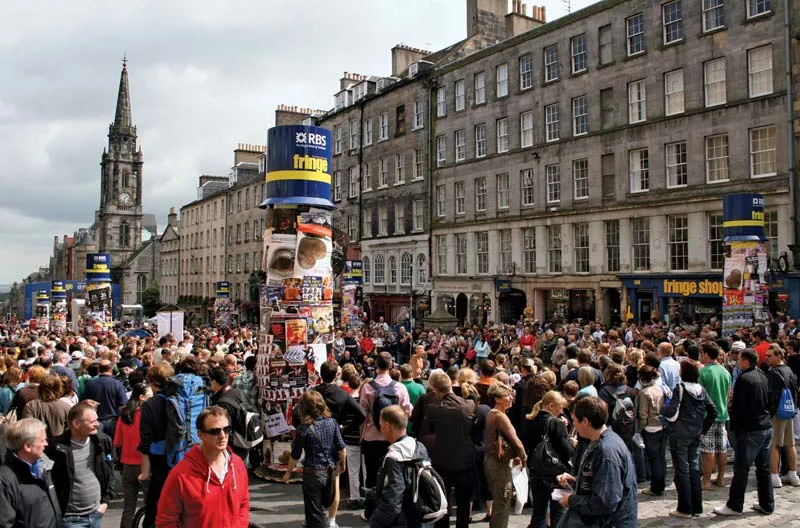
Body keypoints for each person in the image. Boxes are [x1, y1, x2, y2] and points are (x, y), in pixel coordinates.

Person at [156, 405, 250, 527]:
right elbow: (166, 520)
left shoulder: (237, 464)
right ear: (200, 435)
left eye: (226, 429)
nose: (222, 436)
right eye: (215, 431)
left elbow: (243, 504)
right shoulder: (180, 474)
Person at [555, 396, 637, 528]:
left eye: (575, 420)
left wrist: (571, 500)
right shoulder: (602, 442)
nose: (573, 425)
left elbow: (605, 502)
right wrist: (577, 481)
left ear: (585, 421)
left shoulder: (606, 451)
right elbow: (601, 482)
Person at [714, 349, 774, 516]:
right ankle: (767, 503)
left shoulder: (744, 379)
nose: (737, 362)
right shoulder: (762, 375)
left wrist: (735, 428)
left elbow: (739, 407)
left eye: (739, 359)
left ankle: (734, 505)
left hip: (750, 429)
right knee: (763, 468)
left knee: (742, 468)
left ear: (746, 361)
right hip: (764, 426)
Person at [661, 360, 718, 518]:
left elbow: (671, 409)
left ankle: (685, 508)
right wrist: (702, 430)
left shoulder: (680, 388)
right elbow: (713, 411)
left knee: (682, 470)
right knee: (693, 469)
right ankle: (696, 506)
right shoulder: (701, 389)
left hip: (680, 433)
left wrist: (663, 408)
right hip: (695, 433)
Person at [359, 352, 412, 519]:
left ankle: (371, 511)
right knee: (394, 477)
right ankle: (392, 511)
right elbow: (407, 412)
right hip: (394, 438)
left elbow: (363, 414)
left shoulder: (368, 387)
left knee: (372, 476)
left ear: (376, 366)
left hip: (372, 437)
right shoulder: (400, 388)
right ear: (391, 366)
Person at [47, 400, 115, 528]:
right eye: (92, 422)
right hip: (70, 519)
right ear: (76, 424)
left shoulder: (102, 441)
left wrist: (105, 502)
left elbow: (109, 471)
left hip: (96, 514)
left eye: (97, 420)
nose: (97, 424)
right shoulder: (56, 448)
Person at [284, 390, 346, 528]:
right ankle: (330, 521)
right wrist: (342, 464)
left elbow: (295, 455)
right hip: (329, 470)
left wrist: (288, 472)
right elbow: (341, 448)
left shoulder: (303, 429)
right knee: (327, 501)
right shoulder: (332, 422)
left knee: (314, 511)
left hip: (312, 472)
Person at [423, 370, 476, 528]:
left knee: (442, 503)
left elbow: (426, 432)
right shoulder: (469, 405)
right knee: (463, 504)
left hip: (442, 461)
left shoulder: (434, 408)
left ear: (436, 390)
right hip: (464, 460)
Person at [369, 404, 429, 528]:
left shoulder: (393, 457)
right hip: (418, 515)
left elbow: (394, 495)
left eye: (380, 425)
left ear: (387, 426)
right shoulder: (419, 447)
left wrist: (376, 522)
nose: (381, 429)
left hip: (400, 520)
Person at [0, 418, 61, 528]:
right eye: (42, 440)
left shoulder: (44, 467)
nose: (46, 444)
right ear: (27, 446)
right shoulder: (5, 479)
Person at [524, 391, 573, 528]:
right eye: (560, 407)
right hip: (555, 474)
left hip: (536, 470)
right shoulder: (556, 423)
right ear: (551, 406)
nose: (562, 411)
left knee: (538, 512)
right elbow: (567, 451)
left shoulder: (531, 419)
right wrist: (570, 441)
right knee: (558, 512)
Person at [484, 382, 526, 528]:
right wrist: (523, 457)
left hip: (492, 461)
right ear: (497, 399)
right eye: (507, 396)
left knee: (500, 500)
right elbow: (516, 441)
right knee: (503, 501)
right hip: (499, 464)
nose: (510, 398)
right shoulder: (500, 416)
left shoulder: (492, 413)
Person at [138, 362, 174, 528]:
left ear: (152, 382)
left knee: (154, 507)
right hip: (180, 454)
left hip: (159, 459)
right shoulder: (179, 398)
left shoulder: (149, 405)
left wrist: (145, 471)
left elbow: (145, 439)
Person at [114, 381, 151, 528]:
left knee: (128, 507)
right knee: (151, 506)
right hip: (145, 465)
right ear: (142, 397)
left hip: (127, 465)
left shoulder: (124, 415)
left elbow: (117, 442)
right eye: (150, 395)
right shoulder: (147, 416)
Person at [698, 341, 732, 490]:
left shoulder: (704, 372)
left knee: (708, 450)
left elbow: (699, 396)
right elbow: (728, 394)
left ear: (706, 354)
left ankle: (706, 480)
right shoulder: (725, 371)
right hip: (723, 413)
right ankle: (720, 478)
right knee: (722, 448)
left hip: (708, 415)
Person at [765, 345, 800, 486]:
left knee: (774, 445)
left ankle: (774, 475)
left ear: (779, 356)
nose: (767, 359)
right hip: (789, 410)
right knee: (789, 444)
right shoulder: (789, 370)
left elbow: (772, 395)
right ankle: (793, 474)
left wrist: (769, 412)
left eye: (770, 356)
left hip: (777, 413)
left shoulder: (775, 373)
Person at [636, 366, 667, 496]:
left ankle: (656, 486)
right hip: (662, 425)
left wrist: (641, 427)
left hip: (651, 427)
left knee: (654, 458)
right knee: (661, 457)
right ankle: (660, 483)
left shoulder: (644, 393)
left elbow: (643, 414)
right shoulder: (660, 389)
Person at [209, 366, 250, 462]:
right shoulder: (237, 392)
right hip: (246, 438)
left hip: (235, 445)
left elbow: (225, 428)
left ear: (214, 381)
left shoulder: (222, 402)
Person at [82, 359, 128, 440]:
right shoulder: (117, 384)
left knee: (99, 445)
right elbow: (123, 405)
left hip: (96, 420)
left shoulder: (91, 384)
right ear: (111, 369)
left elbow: (84, 403)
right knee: (112, 445)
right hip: (112, 420)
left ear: (99, 369)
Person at [21, 374, 70, 439]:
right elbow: (70, 431)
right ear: (58, 388)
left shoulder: (31, 406)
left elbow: (26, 429)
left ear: (41, 387)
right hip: (57, 446)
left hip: (37, 445)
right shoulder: (66, 407)